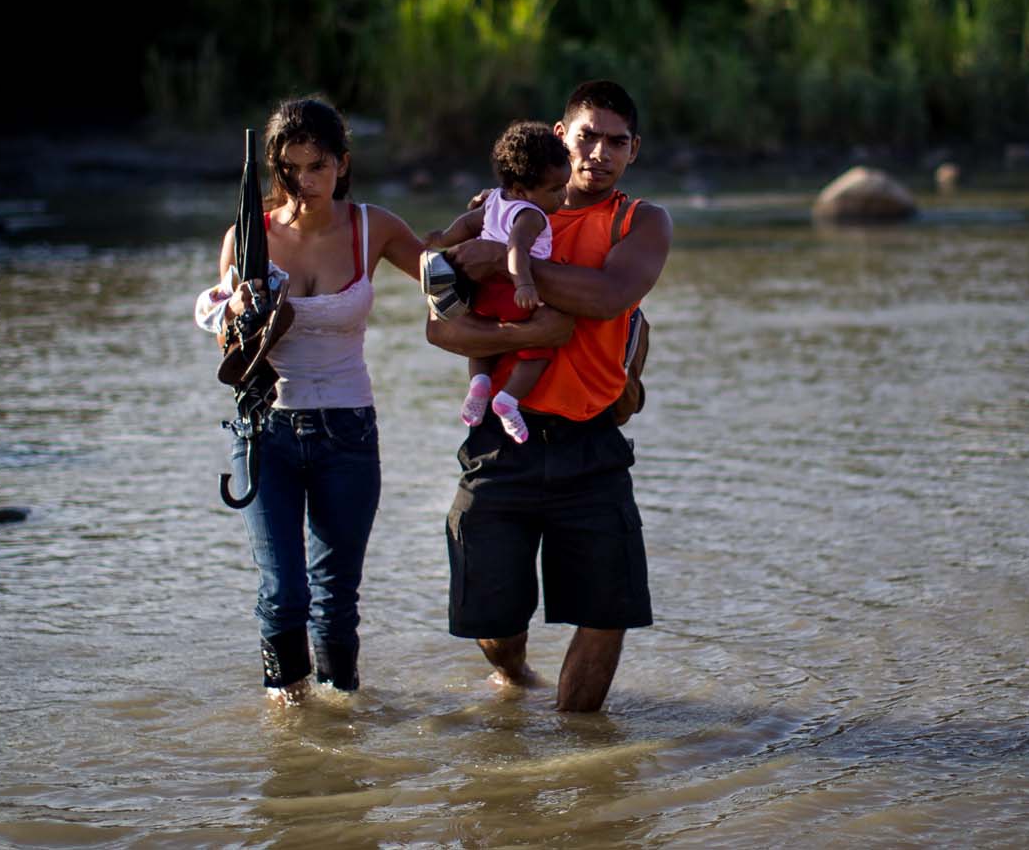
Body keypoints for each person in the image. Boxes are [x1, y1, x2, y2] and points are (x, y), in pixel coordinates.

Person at [425, 80, 673, 712]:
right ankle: (515, 681)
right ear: (560, 136)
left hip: (592, 440)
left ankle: (579, 746)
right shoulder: (500, 207)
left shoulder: (638, 220)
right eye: (586, 135)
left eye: (616, 141)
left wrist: (503, 266)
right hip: (503, 441)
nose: (599, 153)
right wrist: (521, 328)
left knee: (607, 609)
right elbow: (438, 323)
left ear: (634, 150)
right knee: (492, 619)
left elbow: (609, 296)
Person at [195, 96, 424, 704]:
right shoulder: (248, 236)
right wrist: (240, 310)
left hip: (348, 431)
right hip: (265, 430)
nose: (305, 182)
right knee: (283, 593)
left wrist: (504, 230)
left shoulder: (375, 226)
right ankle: (288, 720)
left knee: (336, 598)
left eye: (318, 166)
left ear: (342, 164)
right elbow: (223, 338)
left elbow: (444, 276)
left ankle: (342, 715)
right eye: (291, 169)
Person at [424, 121, 571, 443]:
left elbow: (468, 223)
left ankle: (479, 383)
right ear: (521, 190)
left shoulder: (494, 200)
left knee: (483, 342)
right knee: (540, 346)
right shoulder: (531, 215)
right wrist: (525, 285)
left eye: (564, 186)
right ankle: (508, 399)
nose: (563, 195)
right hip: (509, 292)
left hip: (482, 292)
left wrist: (443, 237)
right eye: (555, 189)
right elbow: (516, 249)